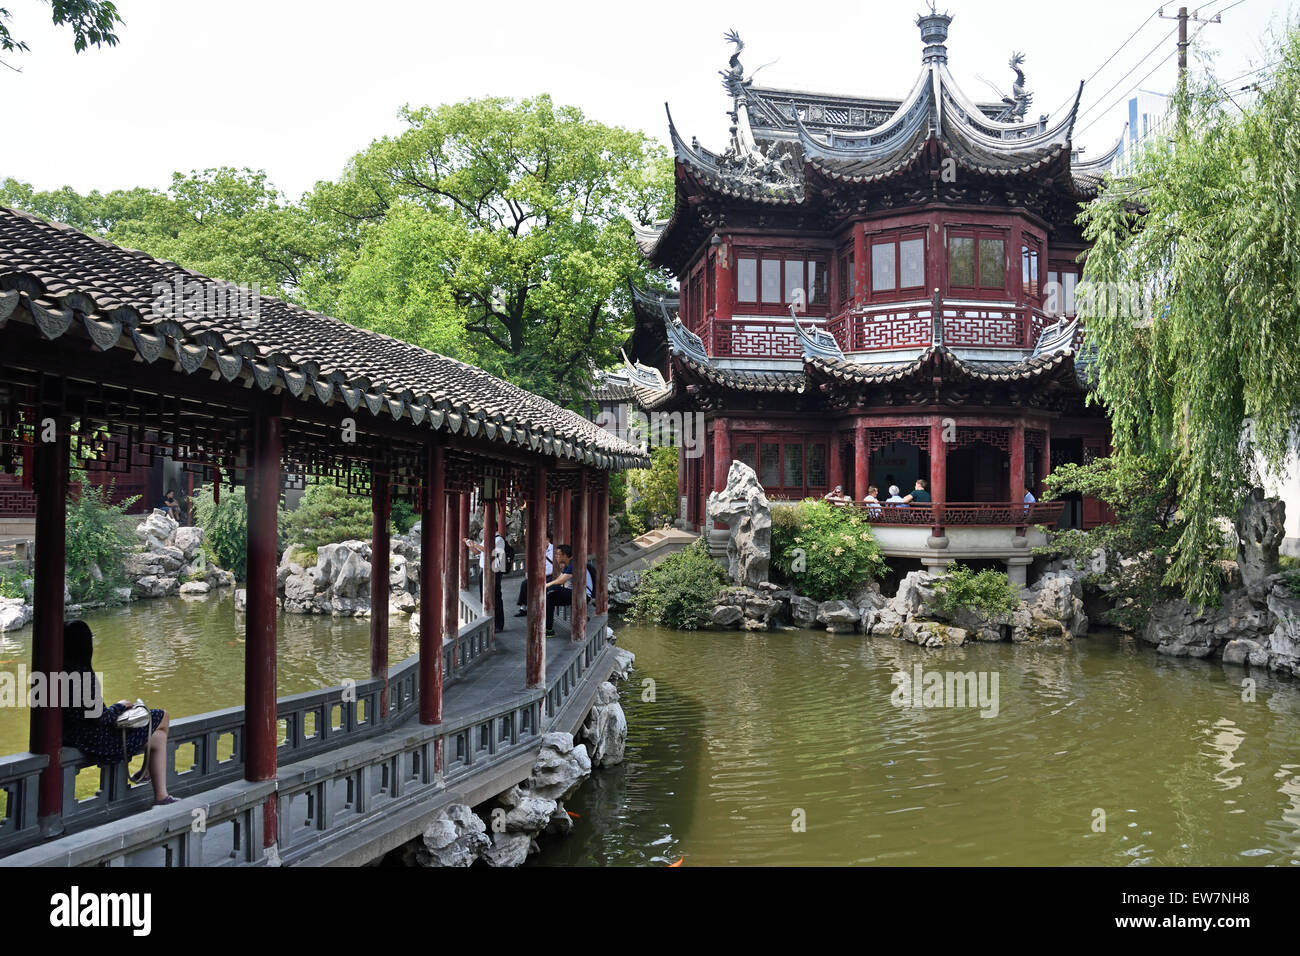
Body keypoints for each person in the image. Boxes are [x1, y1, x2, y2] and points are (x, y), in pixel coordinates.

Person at [62, 620, 176, 806]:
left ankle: (161, 796)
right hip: (94, 740)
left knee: (157, 737)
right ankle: (148, 776)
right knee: (162, 716)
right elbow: (100, 717)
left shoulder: (54, 672)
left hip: (71, 736)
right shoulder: (82, 674)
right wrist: (121, 705)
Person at [464, 515, 506, 630]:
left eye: (486, 528)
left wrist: (475, 543)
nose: (484, 530)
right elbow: (478, 552)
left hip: (494, 570)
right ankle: (488, 619)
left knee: (495, 596)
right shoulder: (486, 539)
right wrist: (471, 546)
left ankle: (498, 624)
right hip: (484, 569)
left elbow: (488, 550)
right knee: (484, 595)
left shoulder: (499, 540)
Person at [544, 544, 594, 636]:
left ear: (565, 555)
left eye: (558, 555)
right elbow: (560, 578)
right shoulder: (568, 565)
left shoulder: (574, 564)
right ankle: (548, 629)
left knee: (551, 589)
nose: (556, 557)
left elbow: (561, 581)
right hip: (574, 593)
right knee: (550, 597)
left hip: (583, 595)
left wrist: (546, 585)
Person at [515, 531, 554, 616]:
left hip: (551, 576)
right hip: (539, 576)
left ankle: (541, 609)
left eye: (543, 539)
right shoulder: (538, 549)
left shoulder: (554, 550)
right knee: (525, 583)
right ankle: (523, 608)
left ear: (548, 539)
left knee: (545, 588)